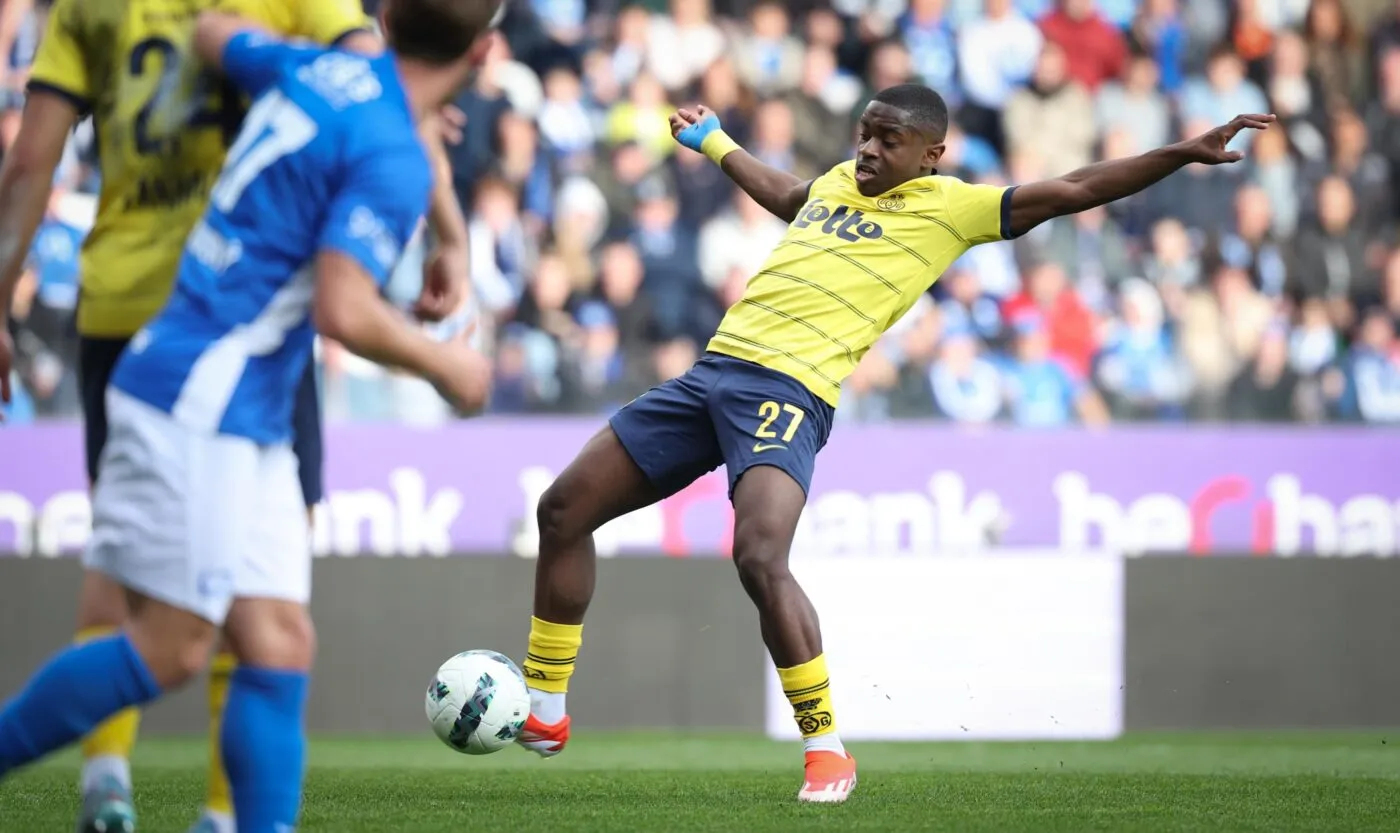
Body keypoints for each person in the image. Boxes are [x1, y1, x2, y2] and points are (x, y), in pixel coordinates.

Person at [515, 82, 1274, 803]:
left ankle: (826, 747)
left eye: (889, 139)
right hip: (712, 373)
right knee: (561, 510)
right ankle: (546, 707)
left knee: (758, 557)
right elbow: (788, 196)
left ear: (932, 153)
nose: (868, 150)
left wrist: (1180, 150)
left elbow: (1075, 188)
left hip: (790, 390)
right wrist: (716, 141)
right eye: (864, 134)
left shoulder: (955, 209)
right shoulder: (839, 182)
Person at [0, 3, 496, 833]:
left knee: (276, 638)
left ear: (384, 20)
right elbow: (343, 307)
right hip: (199, 392)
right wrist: (451, 365)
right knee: (174, 647)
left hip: (238, 393)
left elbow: (214, 33)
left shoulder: (310, 71)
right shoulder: (392, 154)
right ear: (483, 53)